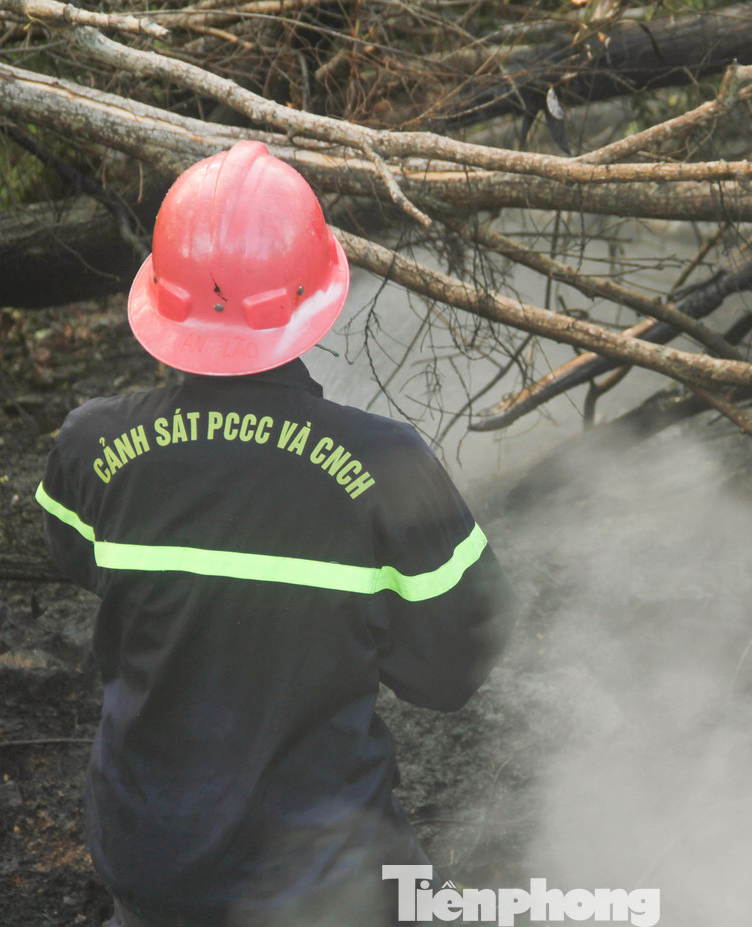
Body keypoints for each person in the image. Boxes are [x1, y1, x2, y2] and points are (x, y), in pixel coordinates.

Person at [35, 140, 516, 927]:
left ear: (162, 299)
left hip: (150, 868)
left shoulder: (92, 446)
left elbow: (74, 556)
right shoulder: (388, 466)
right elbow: (453, 668)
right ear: (316, 296)